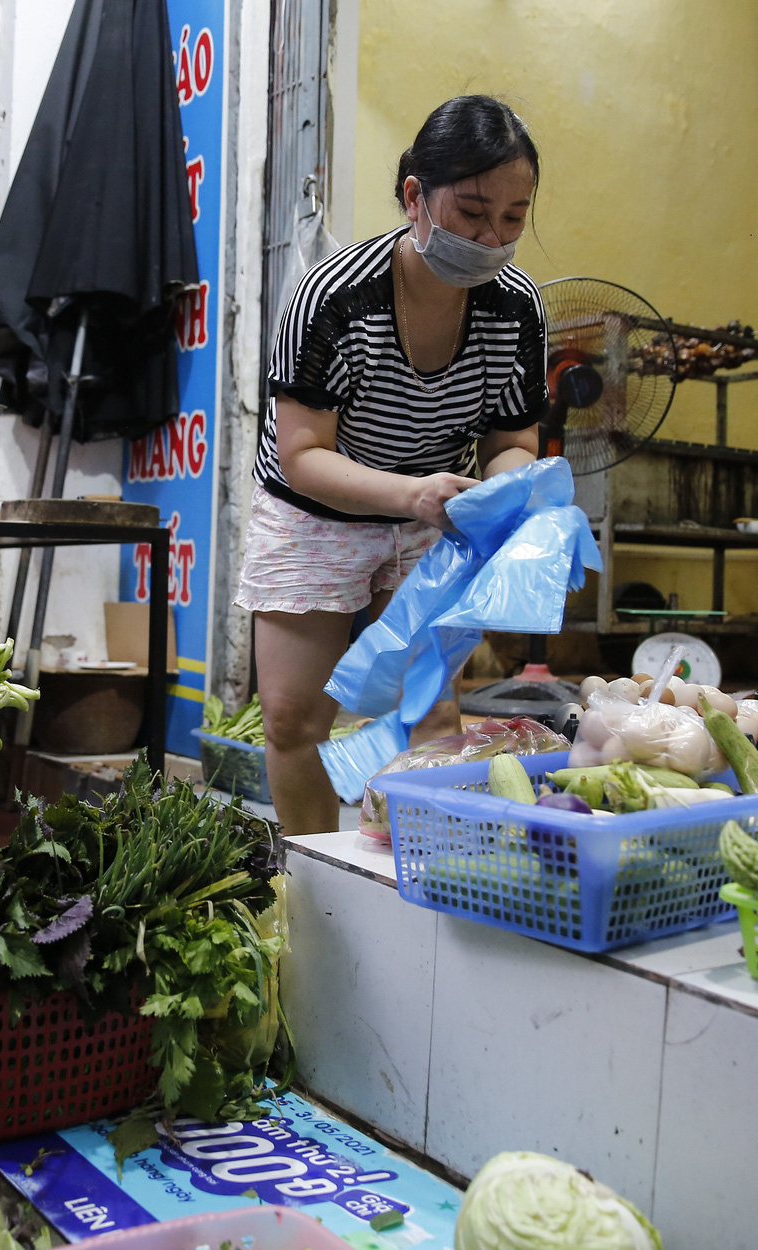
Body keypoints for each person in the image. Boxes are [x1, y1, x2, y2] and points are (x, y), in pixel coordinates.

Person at [235, 96, 546, 836]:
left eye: (512, 216)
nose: (491, 236)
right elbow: (302, 454)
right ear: (415, 197)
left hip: (434, 512)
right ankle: (313, 882)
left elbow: (514, 439)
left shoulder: (516, 309)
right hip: (318, 509)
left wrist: (503, 495)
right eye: (472, 211)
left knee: (432, 710)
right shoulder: (332, 298)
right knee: (291, 717)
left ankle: (418, 883)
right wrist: (411, 495)